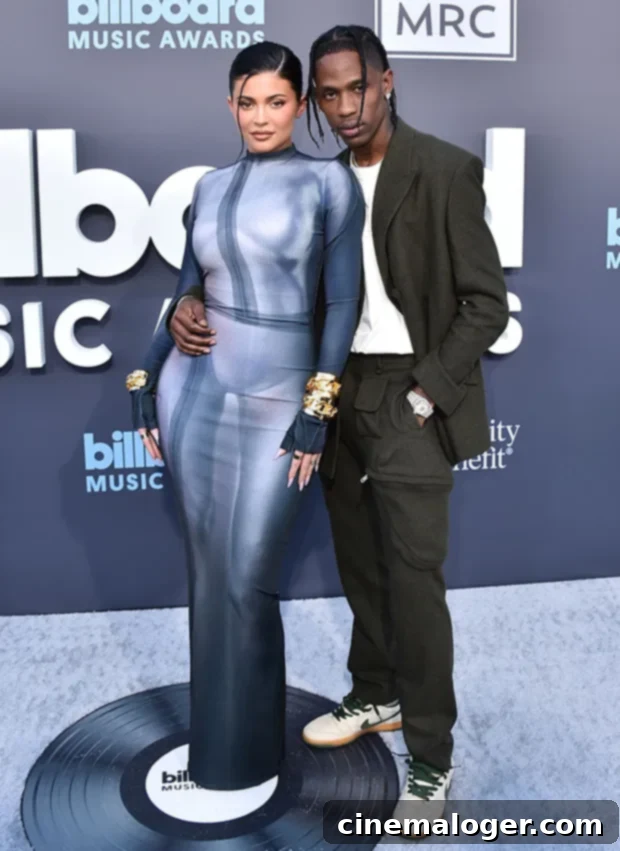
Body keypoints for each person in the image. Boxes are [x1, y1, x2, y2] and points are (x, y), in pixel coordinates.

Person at [167, 25, 509, 814]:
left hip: (407, 395)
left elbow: (484, 303)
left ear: (386, 81)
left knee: (415, 581)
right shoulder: (315, 178)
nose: (345, 106)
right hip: (333, 390)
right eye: (329, 93)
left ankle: (431, 753)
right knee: (360, 564)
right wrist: (189, 300)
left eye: (357, 87)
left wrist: (424, 393)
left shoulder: (444, 170)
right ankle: (374, 692)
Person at [125, 41, 364, 792]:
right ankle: (219, 753)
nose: (261, 116)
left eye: (277, 101)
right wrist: (147, 372)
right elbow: (188, 286)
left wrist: (317, 407)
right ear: (230, 104)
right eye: (247, 101)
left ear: (300, 106)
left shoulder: (330, 185)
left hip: (279, 399)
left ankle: (254, 754)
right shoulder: (210, 185)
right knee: (209, 575)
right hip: (194, 391)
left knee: (248, 578)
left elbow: (344, 301)